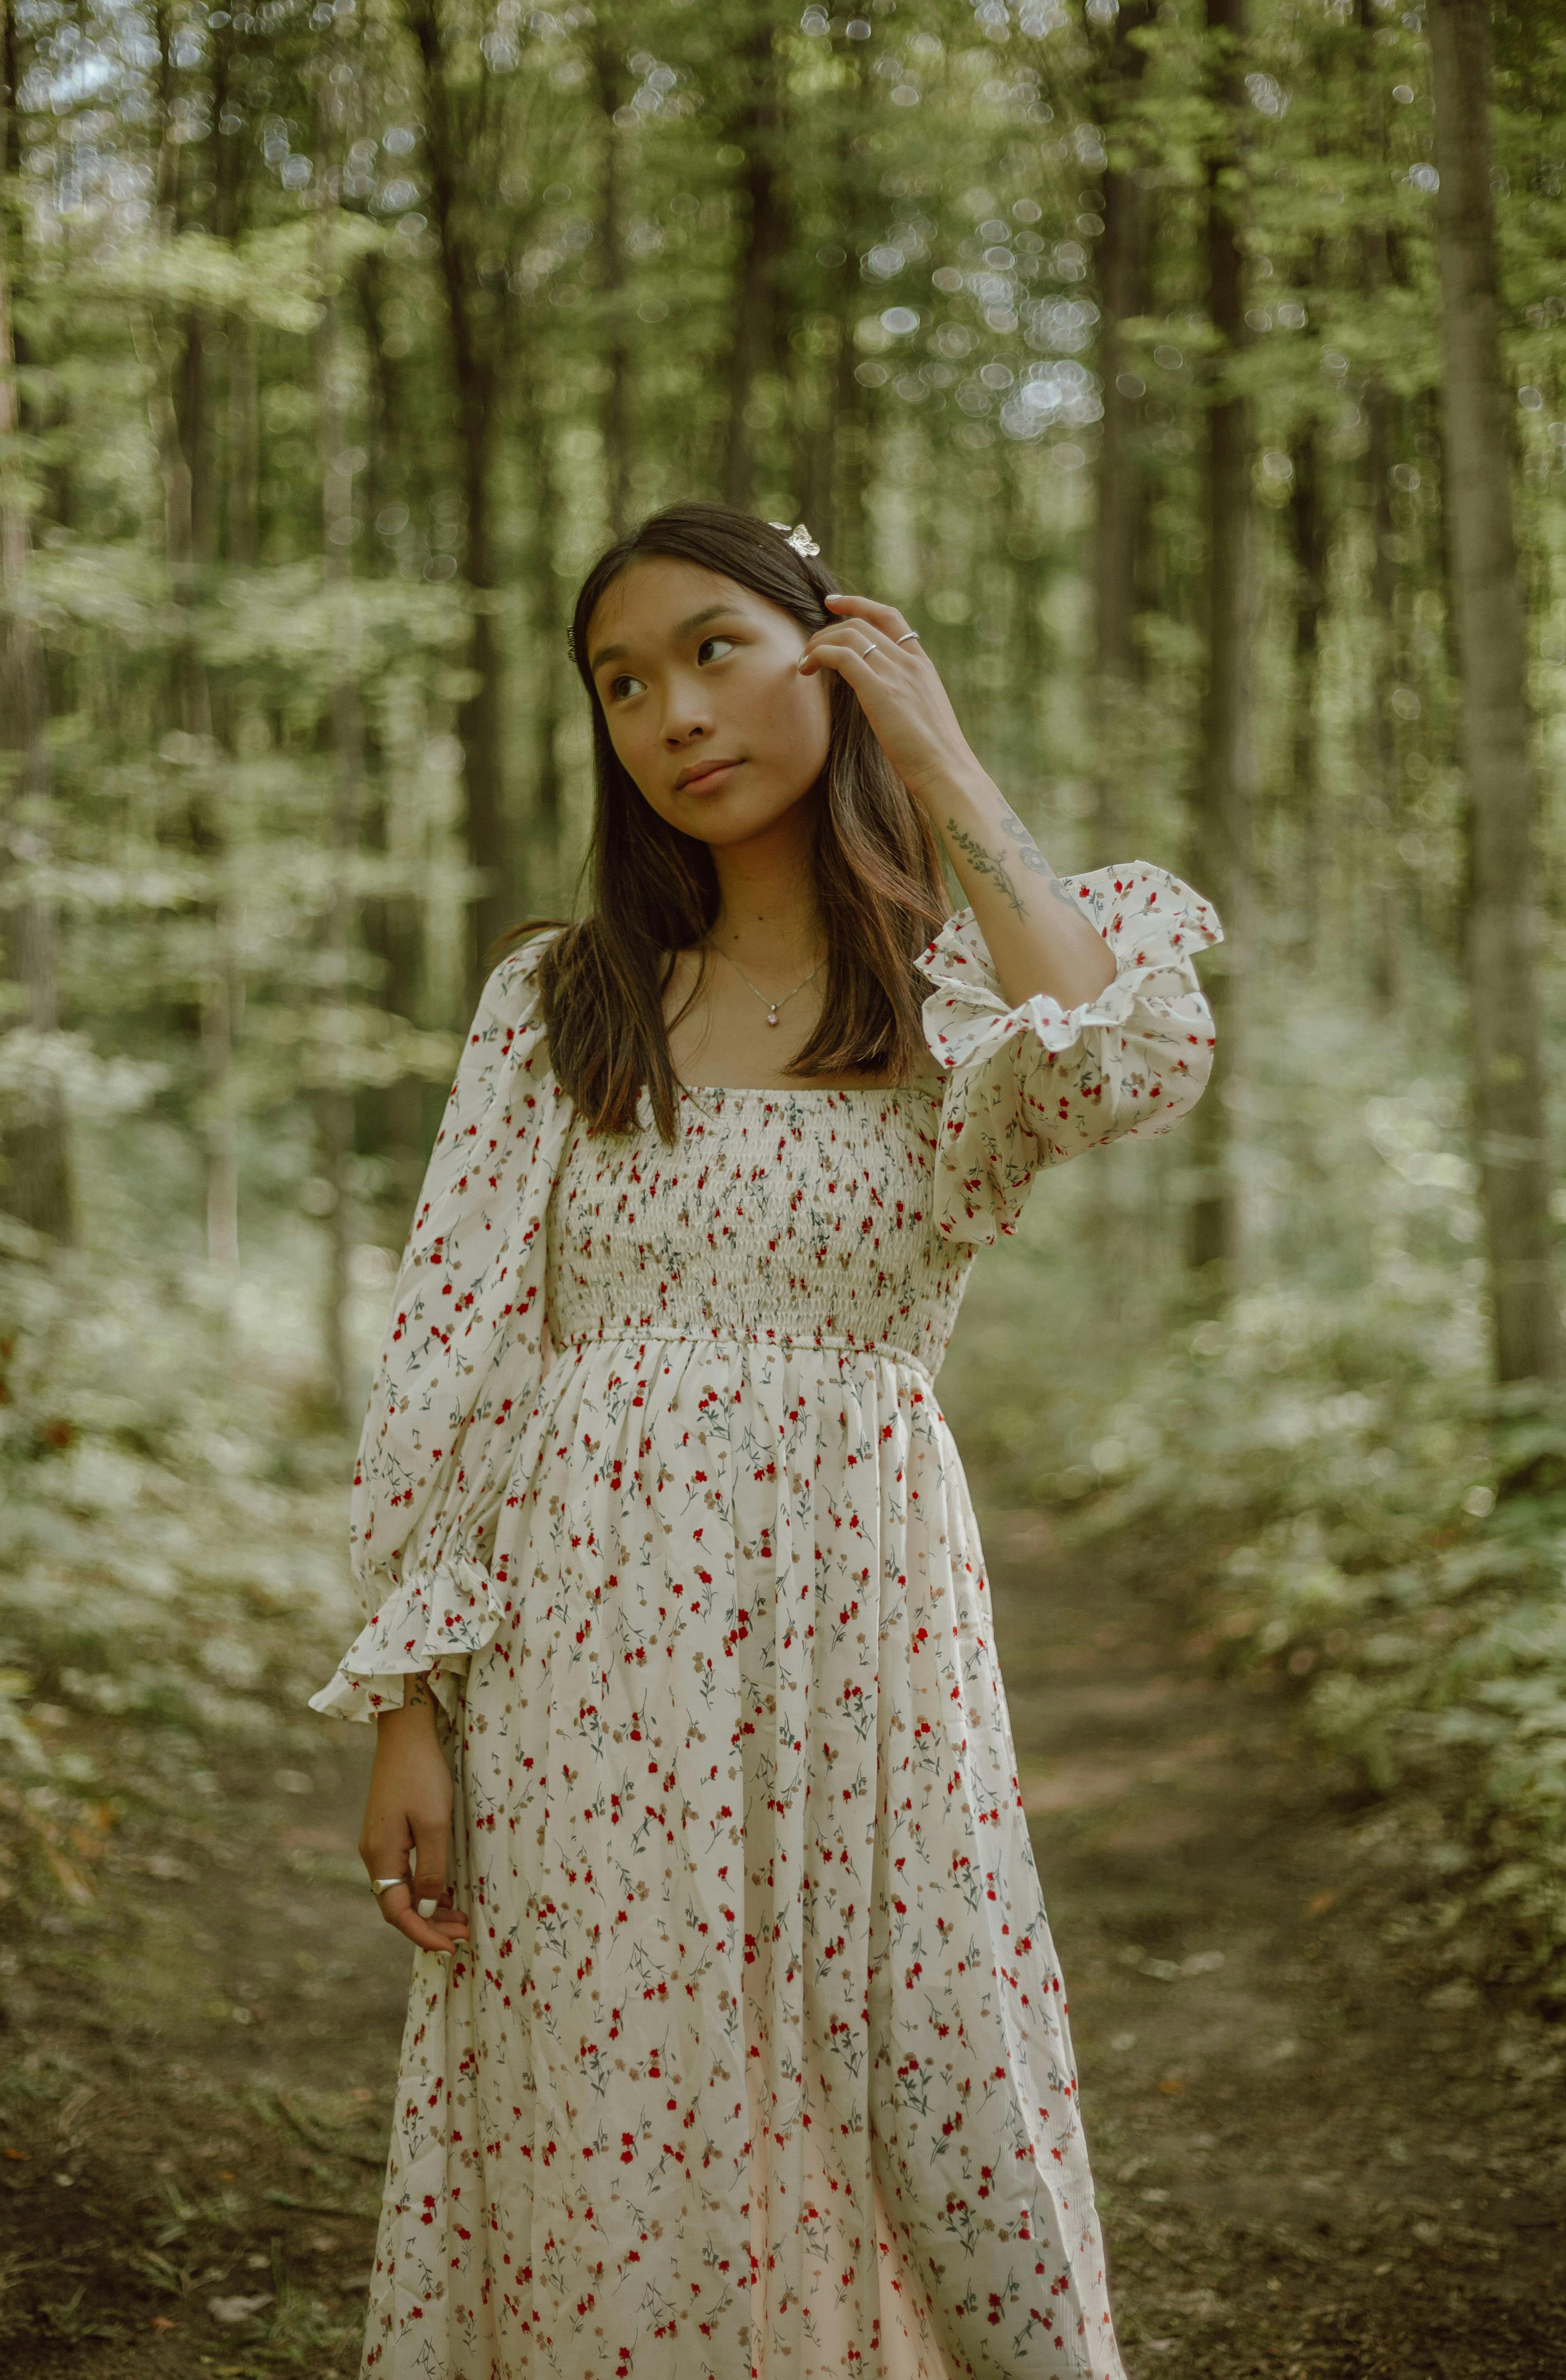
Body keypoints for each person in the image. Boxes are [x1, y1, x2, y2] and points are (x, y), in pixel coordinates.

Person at [311, 503, 1221, 2380]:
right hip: (582, 1640)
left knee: (919, 2037)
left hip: (860, 1608)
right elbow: (453, 1355)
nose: (670, 711)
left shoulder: (961, 998)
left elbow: (1115, 1062)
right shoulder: (559, 1004)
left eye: (717, 648)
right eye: (622, 683)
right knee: (607, 2063)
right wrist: (411, 1696)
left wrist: (943, 757)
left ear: (833, 651)